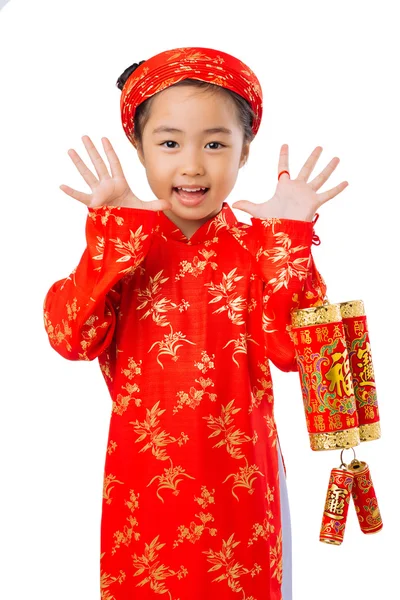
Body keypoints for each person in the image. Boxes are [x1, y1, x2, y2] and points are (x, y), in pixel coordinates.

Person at [43, 46, 348, 600]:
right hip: (143, 488)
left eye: (214, 143)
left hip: (242, 484)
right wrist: (111, 237)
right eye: (169, 143)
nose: (191, 164)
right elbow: (70, 337)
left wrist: (290, 240)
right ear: (138, 149)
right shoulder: (124, 247)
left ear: (245, 149)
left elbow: (297, 353)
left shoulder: (262, 246)